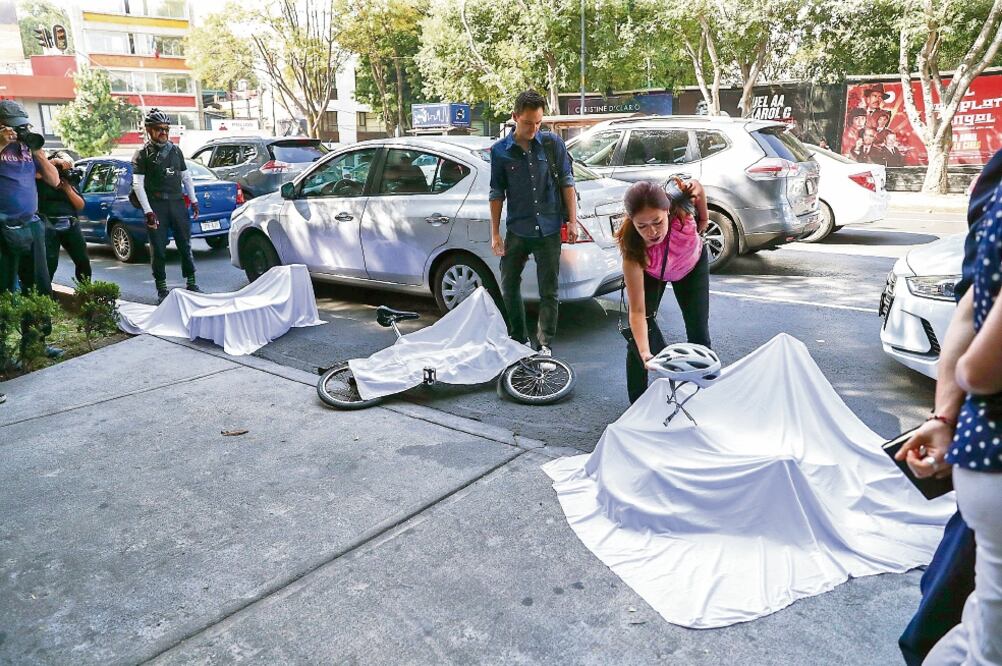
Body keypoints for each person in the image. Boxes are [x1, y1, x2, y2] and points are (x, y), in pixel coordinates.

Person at [896, 148, 1002, 665]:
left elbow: (971, 306)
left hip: (985, 455)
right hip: (993, 454)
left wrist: (946, 417)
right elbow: (979, 362)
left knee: (967, 626)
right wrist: (946, 413)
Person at [489, 89, 578, 356]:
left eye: (538, 122)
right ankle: (519, 338)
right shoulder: (500, 151)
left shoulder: (552, 144)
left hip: (549, 228)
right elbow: (496, 193)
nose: (533, 128)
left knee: (548, 291)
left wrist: (572, 222)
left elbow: (567, 181)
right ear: (515, 117)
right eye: (528, 122)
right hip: (518, 228)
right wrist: (495, 233)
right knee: (508, 284)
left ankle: (545, 345)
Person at [617, 178, 711, 403]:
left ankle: (702, 398)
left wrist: (704, 217)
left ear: (667, 210)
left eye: (657, 222)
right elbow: (638, 312)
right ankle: (637, 405)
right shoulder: (634, 251)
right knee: (638, 342)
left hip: (691, 265)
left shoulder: (680, 206)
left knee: (699, 334)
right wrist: (644, 353)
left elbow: (698, 186)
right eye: (642, 226)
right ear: (632, 222)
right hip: (654, 272)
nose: (652, 232)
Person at [0, 99, 63, 359]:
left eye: (22, 126)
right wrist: (2, 144)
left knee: (37, 285)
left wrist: (37, 152)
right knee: (3, 291)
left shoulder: (29, 148)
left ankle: (35, 342)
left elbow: (54, 180)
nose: (18, 132)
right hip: (3, 229)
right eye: (13, 127)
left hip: (31, 224)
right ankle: (2, 353)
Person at [131, 108, 201, 303]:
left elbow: (186, 177)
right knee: (159, 248)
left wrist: (193, 200)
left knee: (185, 244)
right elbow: (137, 184)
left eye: (166, 129)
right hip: (157, 204)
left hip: (177, 202)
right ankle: (162, 288)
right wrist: (148, 212)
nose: (163, 132)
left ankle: (192, 282)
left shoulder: (176, 150)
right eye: (158, 129)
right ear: (149, 130)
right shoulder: (142, 154)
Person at [34, 153, 91, 283]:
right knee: (50, 264)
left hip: (70, 223)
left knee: (83, 261)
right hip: (48, 224)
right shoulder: (40, 177)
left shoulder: (68, 180)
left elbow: (80, 205)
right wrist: (52, 163)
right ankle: (45, 296)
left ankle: (86, 291)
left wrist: (68, 189)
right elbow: (33, 174)